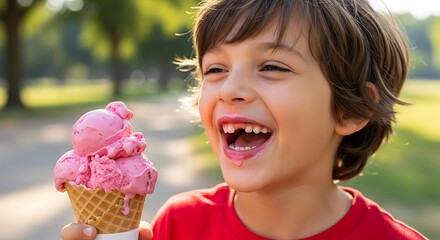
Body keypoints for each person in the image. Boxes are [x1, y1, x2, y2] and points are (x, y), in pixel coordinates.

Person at [61, 0, 427, 239]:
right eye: (215, 69)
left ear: (353, 109)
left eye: (271, 66)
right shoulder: (179, 225)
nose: (229, 89)